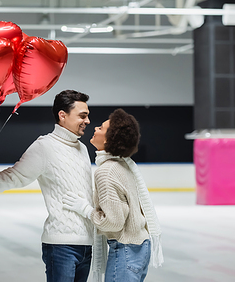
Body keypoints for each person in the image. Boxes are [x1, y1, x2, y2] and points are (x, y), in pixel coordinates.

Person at [0, 90, 94, 282]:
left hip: (87, 245)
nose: (88, 121)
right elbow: (15, 176)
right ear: (62, 115)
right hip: (61, 246)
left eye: (88, 115)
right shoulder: (44, 146)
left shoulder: (82, 148)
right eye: (82, 116)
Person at [63, 108, 163, 282]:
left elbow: (114, 222)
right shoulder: (122, 165)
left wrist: (86, 210)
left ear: (109, 139)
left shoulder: (107, 171)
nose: (95, 129)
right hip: (140, 247)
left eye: (101, 128)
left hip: (126, 250)